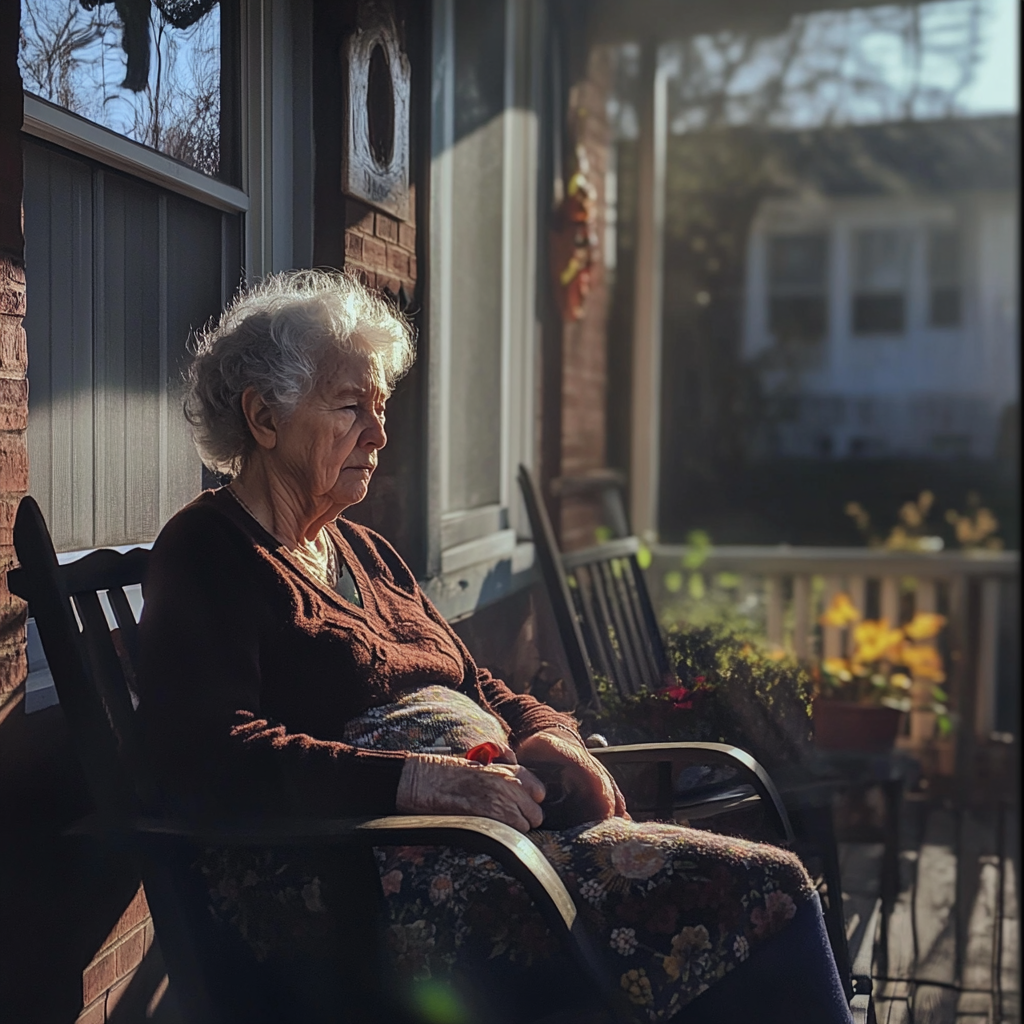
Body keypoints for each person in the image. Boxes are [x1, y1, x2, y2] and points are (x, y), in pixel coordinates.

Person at [137, 270, 852, 1023]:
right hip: (369, 891)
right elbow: (205, 752)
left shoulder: (367, 552)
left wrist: (553, 733)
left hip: (488, 846)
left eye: (380, 410)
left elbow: (478, 681)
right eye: (351, 409)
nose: (379, 436)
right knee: (766, 893)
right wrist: (421, 783)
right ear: (263, 416)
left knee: (754, 908)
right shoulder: (208, 551)